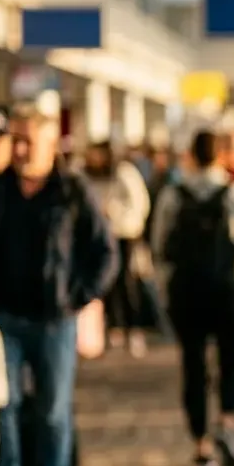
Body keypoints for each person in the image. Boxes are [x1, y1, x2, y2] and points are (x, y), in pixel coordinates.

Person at [0, 103, 118, 466]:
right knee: (2, 406)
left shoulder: (72, 191)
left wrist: (79, 296)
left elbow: (105, 253)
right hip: (2, 317)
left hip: (54, 319)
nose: (17, 150)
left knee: (53, 411)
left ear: (52, 145)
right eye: (14, 140)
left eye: (27, 142)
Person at [150, 131, 234, 466]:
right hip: (228, 287)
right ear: (221, 156)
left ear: (190, 155)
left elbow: (159, 244)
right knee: (230, 360)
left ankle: (201, 444)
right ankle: (228, 423)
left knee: (193, 364)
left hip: (187, 289)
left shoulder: (173, 195)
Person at [83, 142, 153, 357]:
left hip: (124, 234)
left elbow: (139, 203)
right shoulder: (89, 175)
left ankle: (134, 327)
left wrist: (115, 213)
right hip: (102, 235)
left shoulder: (124, 173)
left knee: (127, 282)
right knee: (107, 282)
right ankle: (115, 325)